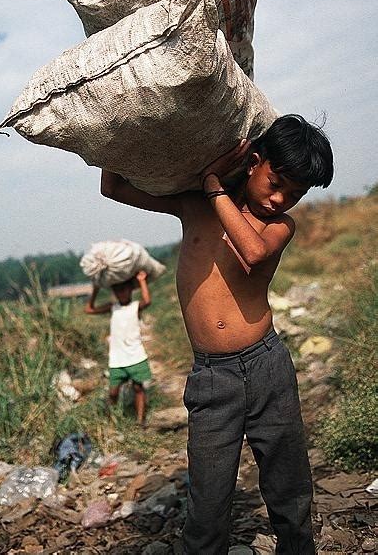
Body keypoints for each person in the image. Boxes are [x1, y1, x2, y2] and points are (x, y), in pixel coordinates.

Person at [100, 114, 334, 554]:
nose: (281, 198)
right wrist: (118, 131)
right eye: (277, 181)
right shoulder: (194, 206)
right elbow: (112, 188)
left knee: (289, 488)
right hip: (212, 378)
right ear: (253, 162)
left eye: (296, 194)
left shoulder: (278, 226)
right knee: (207, 505)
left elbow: (250, 251)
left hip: (267, 368)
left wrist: (213, 184)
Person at [85, 270, 152, 425]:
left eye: (125, 289)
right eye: (118, 290)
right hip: (117, 358)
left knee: (138, 388)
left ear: (130, 290)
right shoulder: (112, 307)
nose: (122, 293)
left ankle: (140, 421)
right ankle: (110, 421)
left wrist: (142, 280)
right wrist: (95, 288)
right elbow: (89, 309)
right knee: (113, 392)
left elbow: (147, 301)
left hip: (135, 355)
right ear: (114, 292)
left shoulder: (135, 306)